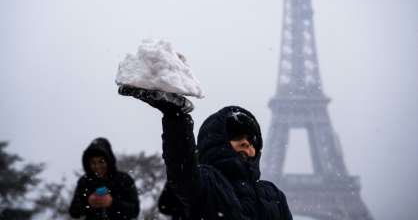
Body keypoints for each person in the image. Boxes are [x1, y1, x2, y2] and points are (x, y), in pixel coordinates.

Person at [119, 86, 292, 220]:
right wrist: (175, 117)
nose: (246, 142)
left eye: (251, 140)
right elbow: (182, 170)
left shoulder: (273, 194)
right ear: (217, 142)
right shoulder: (206, 181)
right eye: (236, 136)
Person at [69, 137, 140, 220]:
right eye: (93, 162)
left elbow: (135, 210)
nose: (97, 167)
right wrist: (88, 202)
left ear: (108, 160)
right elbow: (74, 212)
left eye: (101, 161)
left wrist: (112, 203)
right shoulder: (84, 182)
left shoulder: (124, 180)